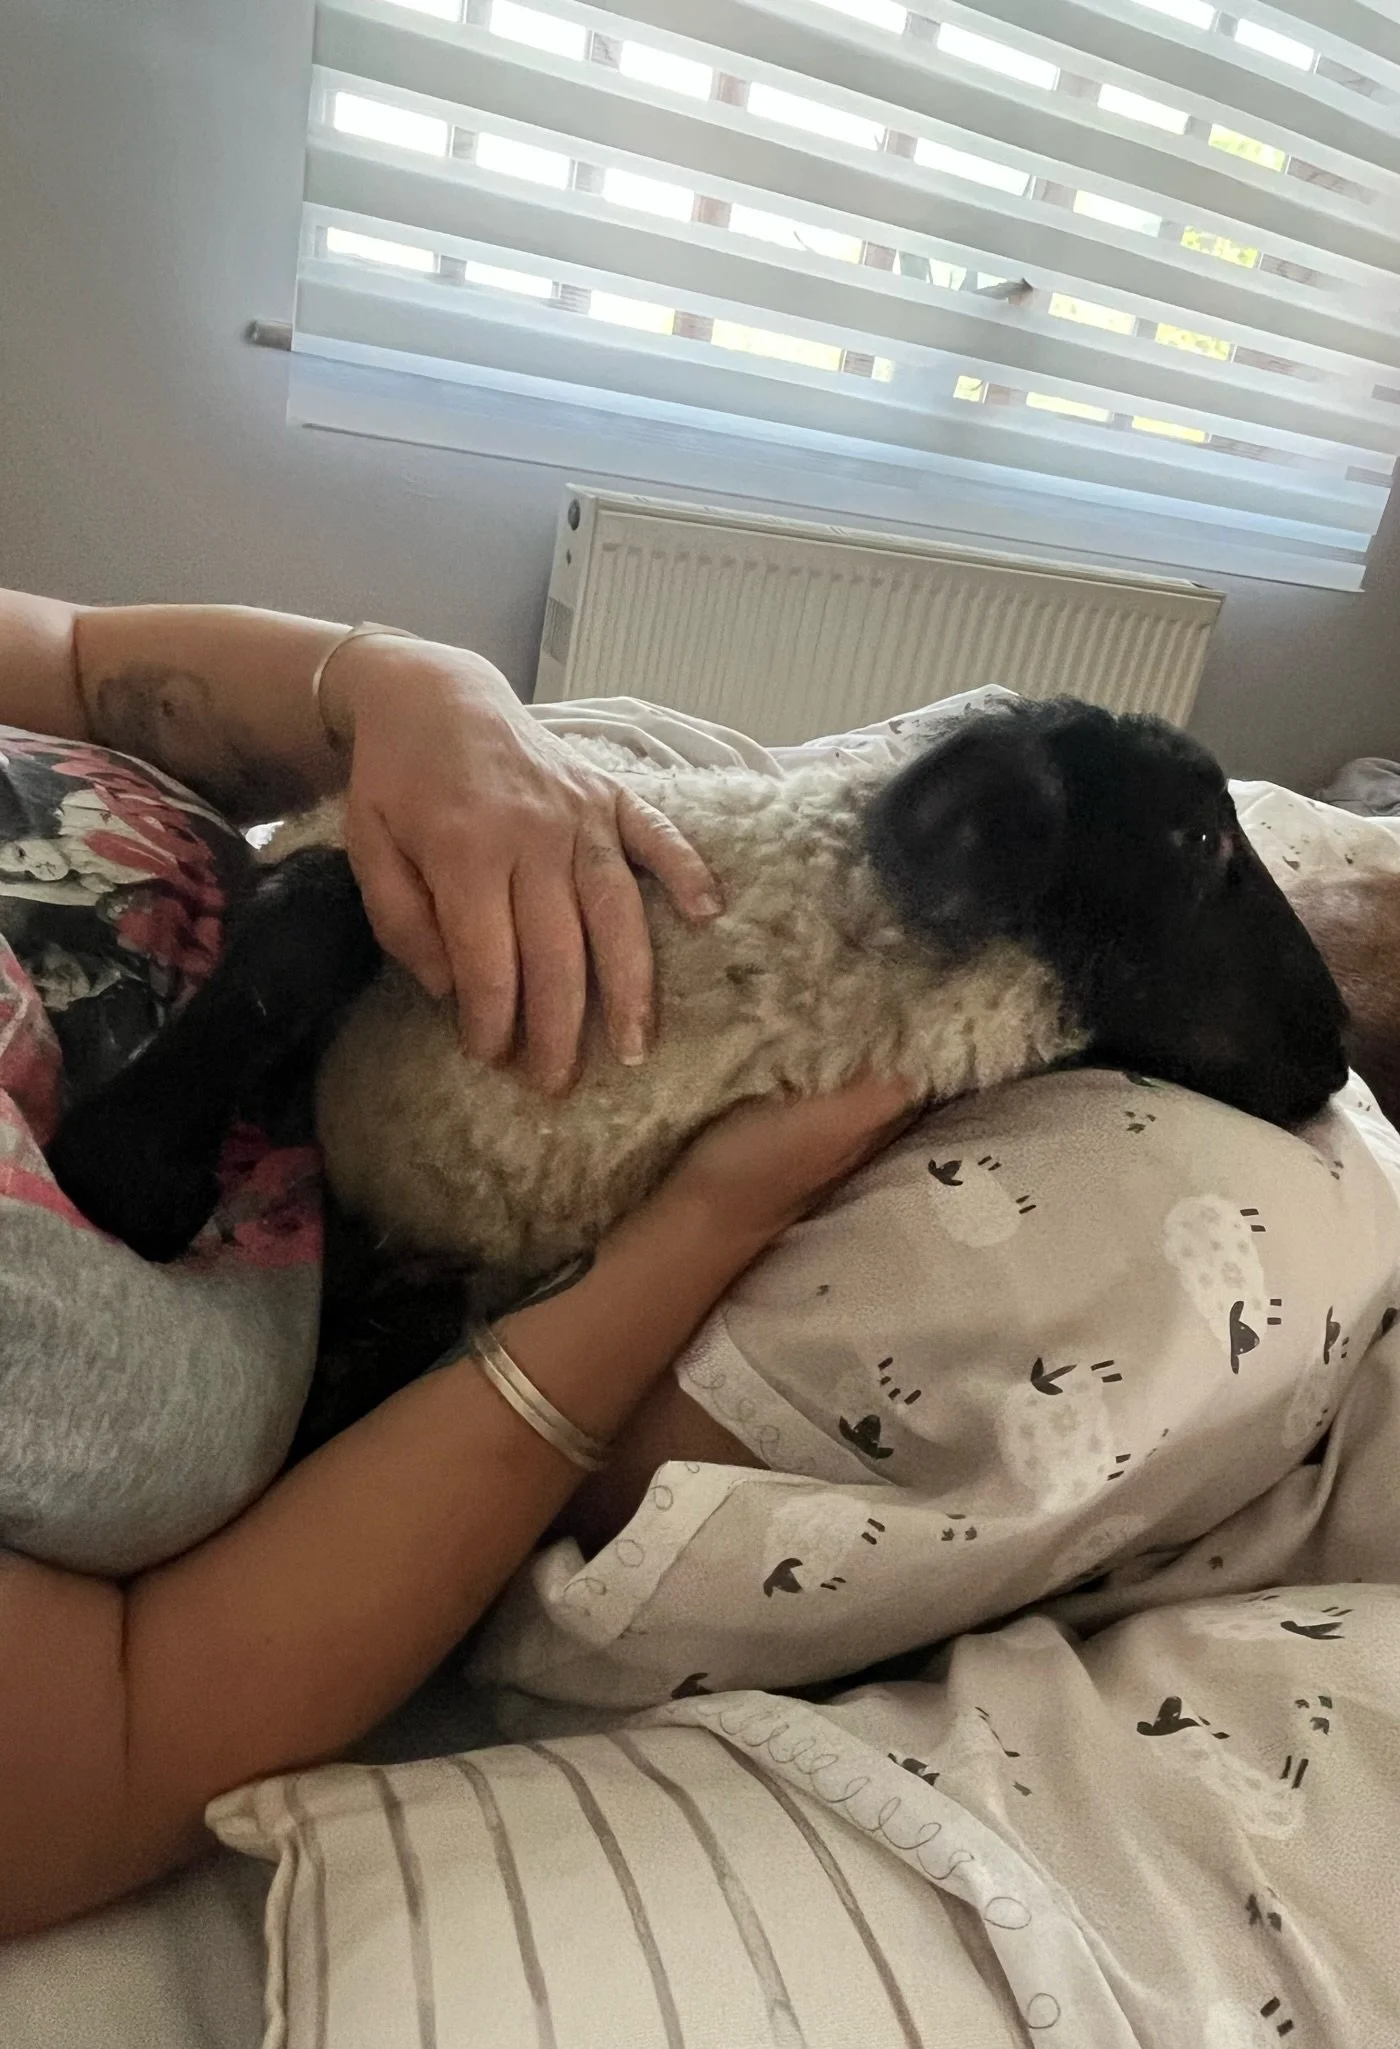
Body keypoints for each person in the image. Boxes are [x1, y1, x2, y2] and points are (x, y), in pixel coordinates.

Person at [0, 588, 913, 1938]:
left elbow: (80, 663)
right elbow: (130, 1734)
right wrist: (720, 1216)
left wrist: (409, 693)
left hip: (398, 848)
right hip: (434, 1196)